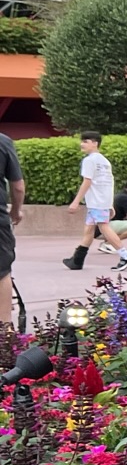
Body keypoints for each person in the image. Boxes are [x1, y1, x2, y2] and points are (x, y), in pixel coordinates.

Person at [64, 132, 127, 271]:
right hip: (101, 201)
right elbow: (108, 183)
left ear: (95, 143)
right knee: (89, 229)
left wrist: (76, 201)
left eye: (86, 141)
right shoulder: (104, 161)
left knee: (104, 227)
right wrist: (109, 204)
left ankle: (126, 256)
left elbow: (87, 182)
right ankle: (77, 260)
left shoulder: (89, 160)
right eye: (82, 141)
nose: (82, 144)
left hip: (96, 202)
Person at [0, 130, 22, 326]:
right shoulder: (3, 141)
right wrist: (16, 211)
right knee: (2, 270)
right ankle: (5, 330)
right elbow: (17, 186)